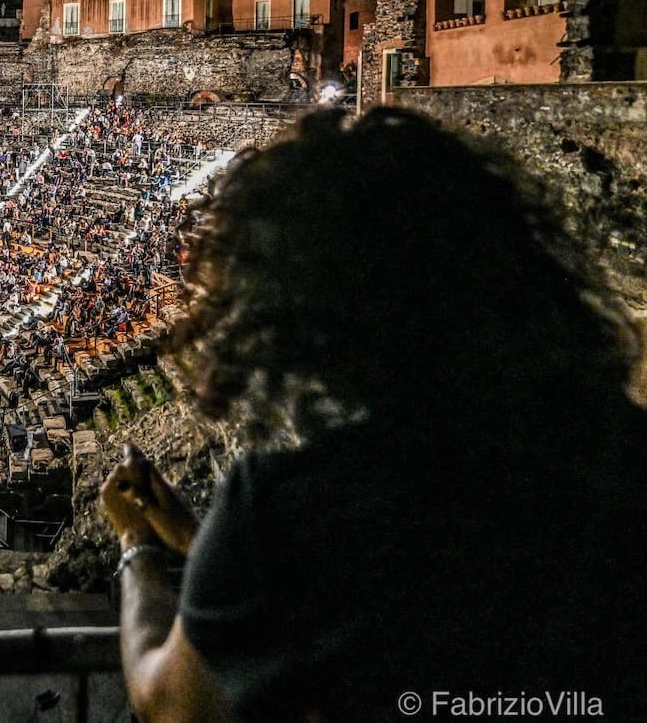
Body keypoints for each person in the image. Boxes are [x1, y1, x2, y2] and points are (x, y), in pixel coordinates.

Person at [102, 108, 647, 722]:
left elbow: (172, 705)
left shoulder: (292, 504)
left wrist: (138, 549)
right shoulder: (624, 457)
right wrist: (201, 546)